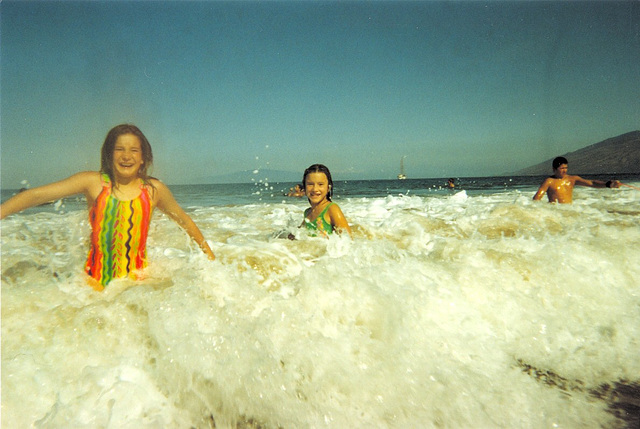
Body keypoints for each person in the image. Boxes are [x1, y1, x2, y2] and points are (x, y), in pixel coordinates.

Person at [0, 124, 215, 290]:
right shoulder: (92, 182)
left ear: (143, 158)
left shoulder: (153, 190)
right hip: (94, 284)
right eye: (119, 149)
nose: (126, 156)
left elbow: (184, 220)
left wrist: (211, 258)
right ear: (109, 154)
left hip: (138, 283)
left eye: (134, 150)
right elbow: (36, 195)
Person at [532, 156, 621, 203]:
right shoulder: (549, 181)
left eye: (566, 168)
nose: (564, 170)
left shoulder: (572, 179)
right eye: (562, 168)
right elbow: (537, 198)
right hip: (556, 212)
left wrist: (608, 184)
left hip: (569, 211)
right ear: (554, 169)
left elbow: (591, 183)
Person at [301, 164, 351, 236]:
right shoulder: (307, 213)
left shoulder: (332, 209)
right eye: (310, 184)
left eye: (320, 184)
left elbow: (348, 240)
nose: (315, 189)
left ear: (328, 187)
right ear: (304, 188)